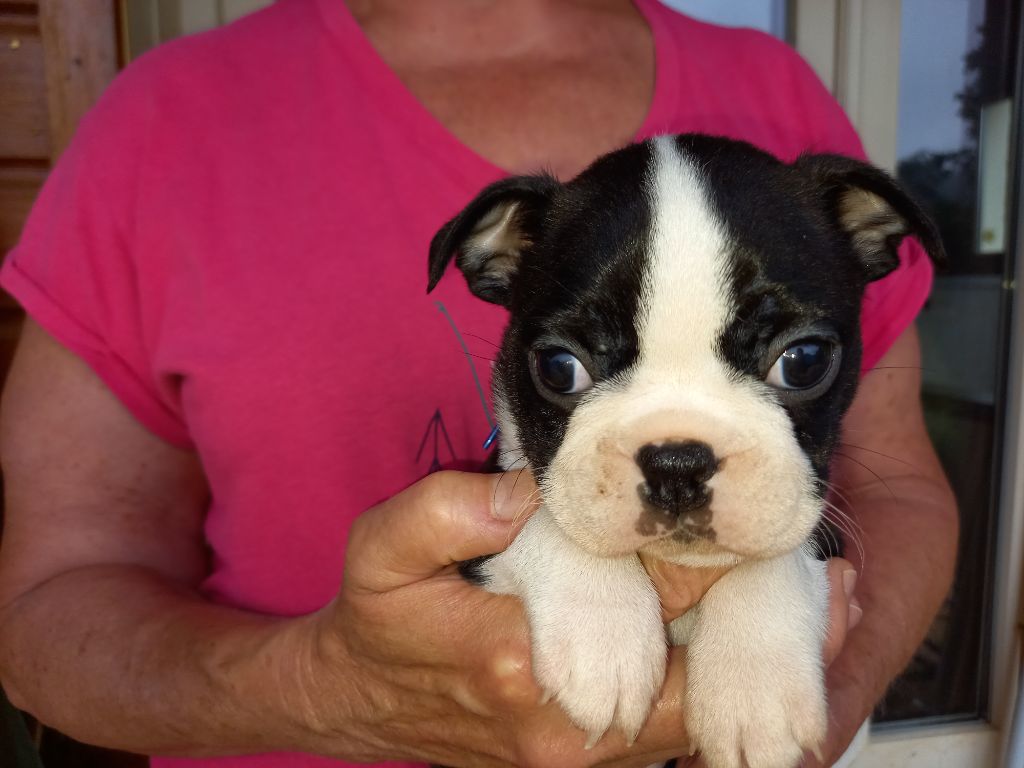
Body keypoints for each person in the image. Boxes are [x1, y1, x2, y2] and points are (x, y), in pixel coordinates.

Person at [0, 1, 957, 766]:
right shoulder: (166, 120)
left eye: (793, 365)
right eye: (569, 369)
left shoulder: (780, 104)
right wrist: (329, 688)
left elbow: (902, 496)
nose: (678, 453)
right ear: (494, 269)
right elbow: (46, 610)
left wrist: (810, 694)